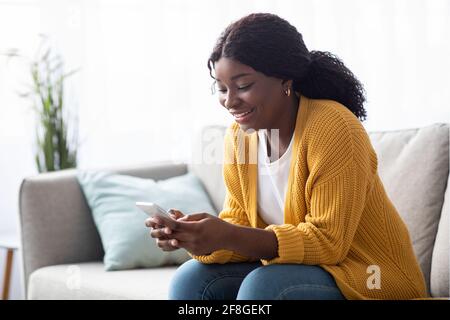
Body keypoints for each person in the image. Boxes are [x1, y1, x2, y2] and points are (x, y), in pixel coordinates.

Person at [145, 13, 427, 300]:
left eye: (243, 86)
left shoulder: (334, 127)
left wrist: (227, 235)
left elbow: (329, 243)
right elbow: (240, 223)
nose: (229, 101)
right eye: (221, 88)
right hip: (303, 270)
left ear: (284, 80)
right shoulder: (240, 138)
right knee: (191, 279)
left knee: (265, 287)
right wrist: (197, 237)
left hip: (372, 277)